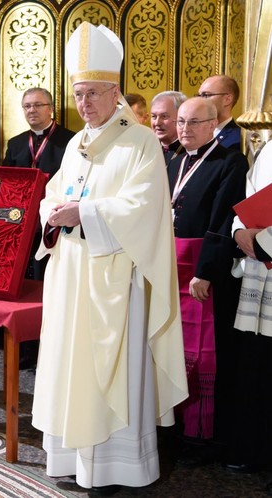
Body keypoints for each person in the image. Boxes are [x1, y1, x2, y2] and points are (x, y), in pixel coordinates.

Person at [31, 22, 188, 494]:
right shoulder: (78, 144)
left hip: (116, 278)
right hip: (72, 272)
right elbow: (53, 193)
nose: (85, 104)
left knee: (111, 371)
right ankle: (72, 460)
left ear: (115, 91)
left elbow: (144, 209)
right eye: (78, 94)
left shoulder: (139, 141)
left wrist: (86, 212)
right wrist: (52, 211)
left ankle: (116, 468)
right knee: (69, 367)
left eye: (94, 94)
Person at [167, 97, 248, 465]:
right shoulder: (173, 159)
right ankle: (174, 423)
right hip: (169, 266)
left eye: (195, 122)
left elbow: (222, 218)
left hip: (200, 271)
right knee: (173, 348)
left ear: (214, 124)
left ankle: (202, 435)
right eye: (181, 121)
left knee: (203, 354)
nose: (185, 129)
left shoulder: (229, 162)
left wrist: (206, 270)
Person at [0, 87, 75, 368]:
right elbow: (7, 181)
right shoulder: (16, 143)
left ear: (51, 108)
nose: (32, 110)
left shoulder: (70, 141)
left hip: (54, 224)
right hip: (22, 227)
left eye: (38, 105)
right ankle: (26, 350)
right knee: (23, 287)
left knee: (50, 286)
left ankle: (51, 349)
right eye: (27, 106)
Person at [225, 143, 272, 480]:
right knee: (257, 365)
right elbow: (248, 197)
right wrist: (240, 232)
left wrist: (261, 242)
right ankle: (254, 450)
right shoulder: (269, 147)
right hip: (258, 267)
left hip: (262, 250)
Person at [197, 75, 242, 151]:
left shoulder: (237, 139)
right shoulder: (193, 133)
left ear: (227, 99)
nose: (200, 101)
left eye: (206, 95)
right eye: (199, 95)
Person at [150, 91, 187, 164]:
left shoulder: (189, 151)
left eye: (164, 116)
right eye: (154, 116)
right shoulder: (147, 149)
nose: (157, 123)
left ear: (181, 118)